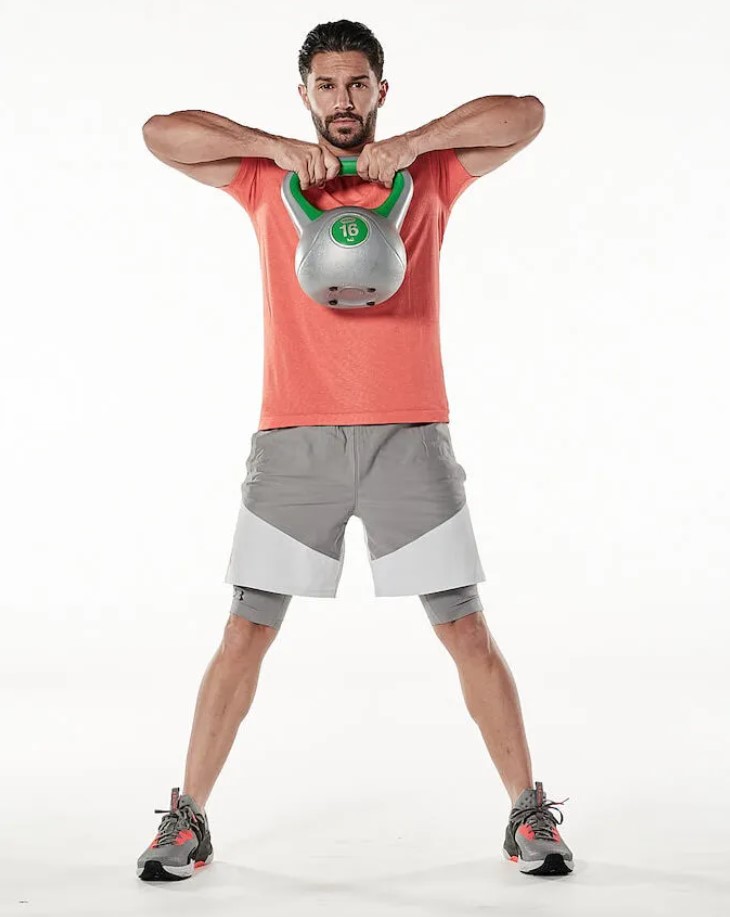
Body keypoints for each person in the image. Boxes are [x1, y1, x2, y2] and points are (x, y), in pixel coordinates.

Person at [138, 19, 573, 882]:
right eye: (327, 86)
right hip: (293, 442)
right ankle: (186, 819)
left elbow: (526, 114)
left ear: (381, 91)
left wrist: (412, 144)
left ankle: (528, 812)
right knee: (245, 631)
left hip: (411, 438)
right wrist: (274, 145)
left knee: (466, 628)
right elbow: (160, 134)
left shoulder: (432, 175)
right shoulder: (266, 182)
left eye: (358, 85)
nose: (343, 101)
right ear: (306, 95)